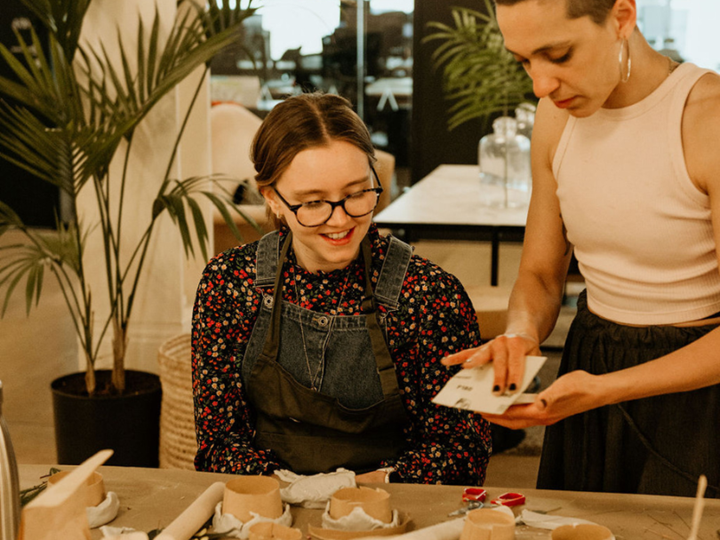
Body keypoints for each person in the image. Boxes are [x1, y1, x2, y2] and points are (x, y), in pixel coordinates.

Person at [443, 0, 720, 497]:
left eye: (560, 54)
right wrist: (521, 336)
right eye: (524, 61)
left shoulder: (708, 118)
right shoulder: (556, 116)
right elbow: (542, 276)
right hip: (590, 355)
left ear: (621, 17)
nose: (540, 86)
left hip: (696, 385)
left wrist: (604, 389)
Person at [192, 92, 491, 485]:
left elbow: (461, 449)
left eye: (356, 194)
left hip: (395, 513)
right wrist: (298, 494)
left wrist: (350, 489)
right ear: (273, 198)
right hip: (267, 508)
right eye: (313, 202)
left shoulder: (429, 294)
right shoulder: (229, 285)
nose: (340, 220)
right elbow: (219, 445)